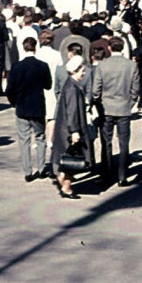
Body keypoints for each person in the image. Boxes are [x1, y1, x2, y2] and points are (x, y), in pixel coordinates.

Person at [92, 36, 139, 186]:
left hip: (106, 108)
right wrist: (130, 103)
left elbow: (95, 90)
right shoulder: (131, 66)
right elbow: (135, 89)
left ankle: (106, 173)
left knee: (106, 142)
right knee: (124, 142)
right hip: (124, 108)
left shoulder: (102, 65)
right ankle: (122, 175)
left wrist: (99, 103)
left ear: (110, 48)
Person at [7, 37, 52, 182]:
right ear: (35, 47)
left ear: (23, 47)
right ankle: (41, 168)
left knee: (24, 140)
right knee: (40, 138)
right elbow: (48, 85)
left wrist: (14, 102)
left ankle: (27, 171)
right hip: (37, 106)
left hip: (22, 107)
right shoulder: (42, 66)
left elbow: (10, 89)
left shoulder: (16, 67)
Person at [51, 55, 93, 199]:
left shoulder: (70, 85)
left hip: (65, 128)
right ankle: (66, 187)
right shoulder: (73, 88)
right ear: (75, 71)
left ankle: (62, 179)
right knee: (73, 159)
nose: (84, 72)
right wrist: (75, 131)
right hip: (71, 129)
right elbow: (72, 111)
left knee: (68, 158)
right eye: (82, 69)